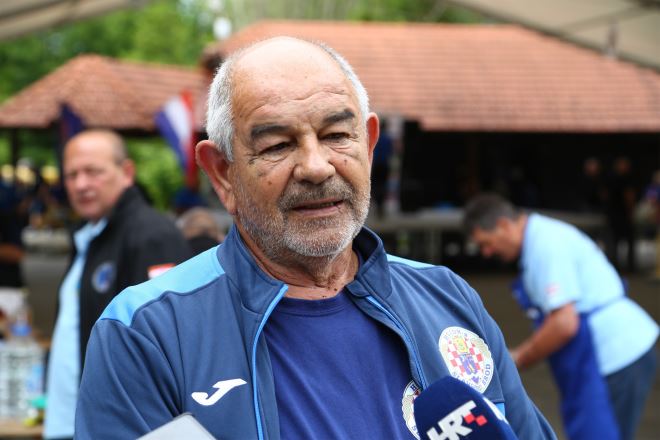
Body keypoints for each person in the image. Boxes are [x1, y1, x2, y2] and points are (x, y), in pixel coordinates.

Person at [75, 37, 556, 439]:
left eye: (337, 135)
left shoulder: (447, 298)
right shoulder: (147, 334)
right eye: (277, 145)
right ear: (222, 174)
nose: (316, 166)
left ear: (369, 145)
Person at [463, 193, 658, 440]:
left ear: (503, 225)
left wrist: (517, 359)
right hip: (606, 357)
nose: (487, 253)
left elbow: (564, 324)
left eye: (486, 243)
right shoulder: (540, 238)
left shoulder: (545, 246)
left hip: (618, 355)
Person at [43, 130, 191, 440]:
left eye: (93, 171)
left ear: (127, 173)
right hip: (72, 422)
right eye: (71, 175)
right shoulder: (91, 235)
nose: (81, 184)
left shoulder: (151, 234)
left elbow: (172, 340)